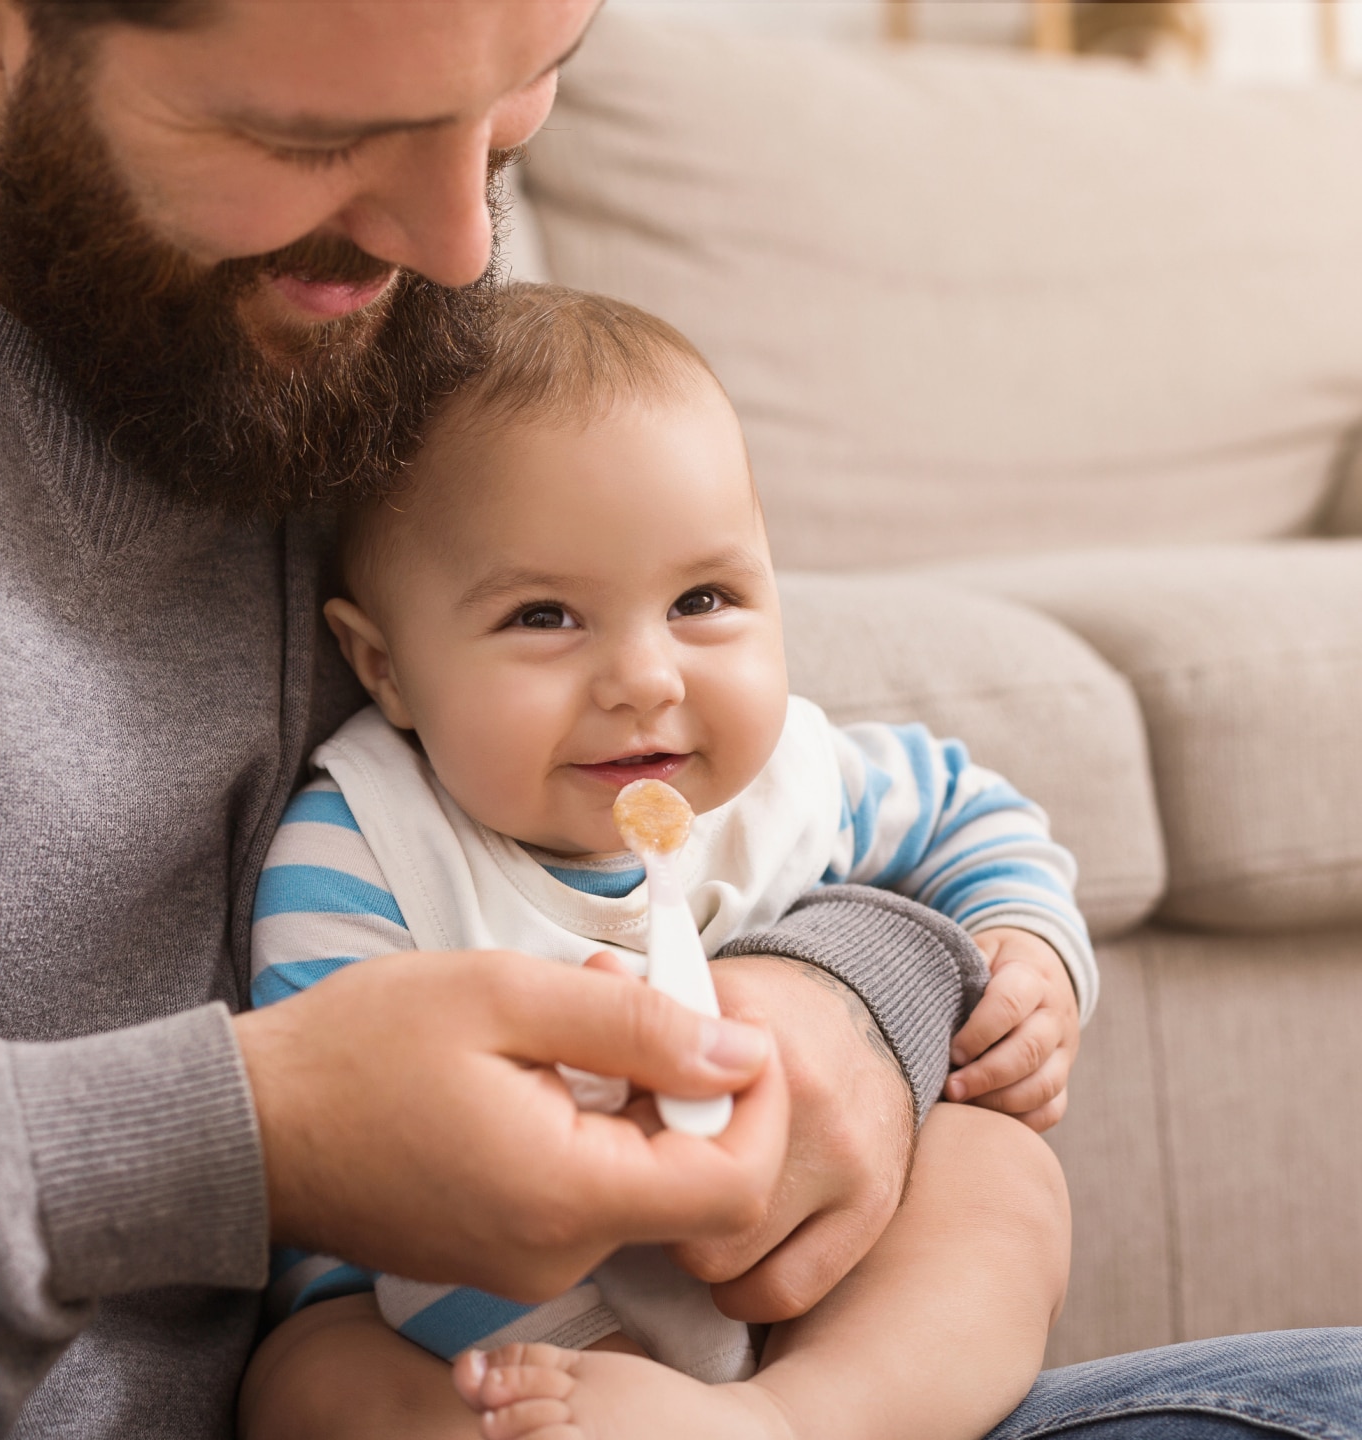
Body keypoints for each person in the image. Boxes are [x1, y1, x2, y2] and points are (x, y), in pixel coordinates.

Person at [0, 1, 1356, 1438]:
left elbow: (824, 795)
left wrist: (863, 988)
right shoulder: (356, 836)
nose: (458, 252)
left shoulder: (378, 344)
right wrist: (257, 1140)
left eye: (528, 88)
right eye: (318, 138)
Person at [239, 284, 1093, 1439]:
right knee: (309, 1375)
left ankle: (803, 1421)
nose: (646, 679)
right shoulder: (365, 849)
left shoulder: (791, 773)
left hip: (798, 1308)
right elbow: (360, 1175)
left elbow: (967, 811)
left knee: (1000, 1173)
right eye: (545, 617)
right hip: (474, 1325)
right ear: (385, 666)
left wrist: (1027, 947)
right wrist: (589, 1364)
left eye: (703, 599)